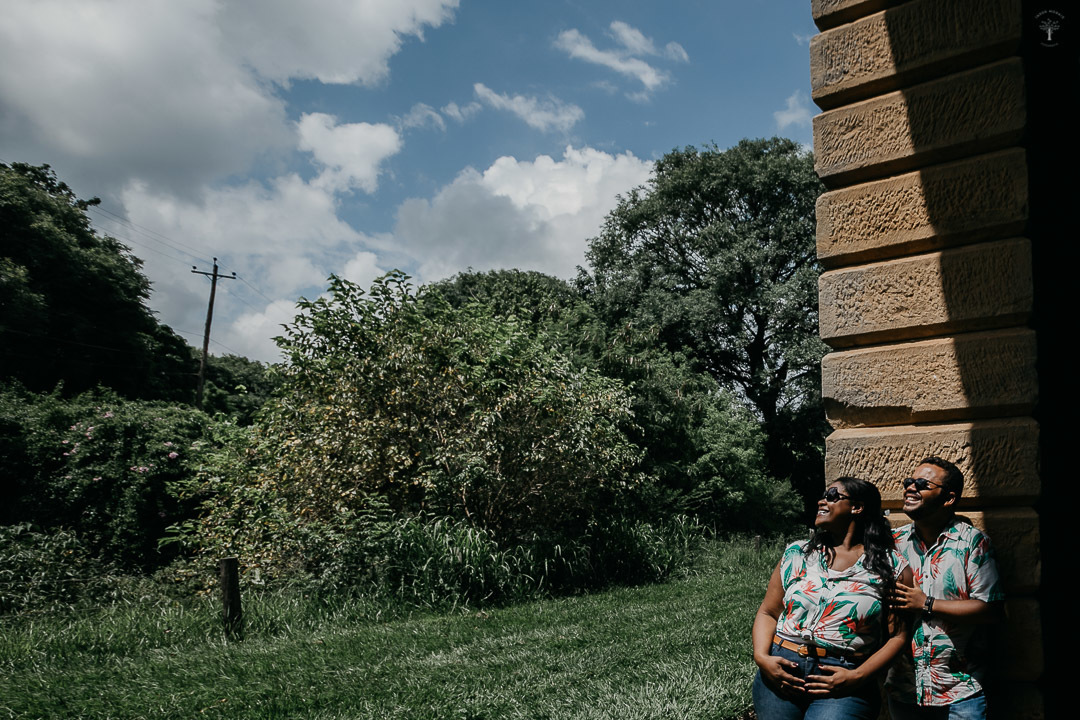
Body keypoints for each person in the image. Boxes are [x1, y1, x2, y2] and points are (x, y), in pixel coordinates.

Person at [752, 477, 913, 720]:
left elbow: (898, 637)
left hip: (843, 678)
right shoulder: (797, 554)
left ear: (857, 507)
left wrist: (856, 677)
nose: (822, 500)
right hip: (781, 671)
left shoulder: (890, 567)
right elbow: (768, 612)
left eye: (832, 495)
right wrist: (762, 657)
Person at [886, 457, 1004, 719]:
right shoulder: (893, 543)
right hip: (905, 688)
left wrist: (925, 603)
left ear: (948, 498)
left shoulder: (973, 543)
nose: (910, 488)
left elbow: (991, 609)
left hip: (960, 689)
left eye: (921, 483)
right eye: (908, 482)